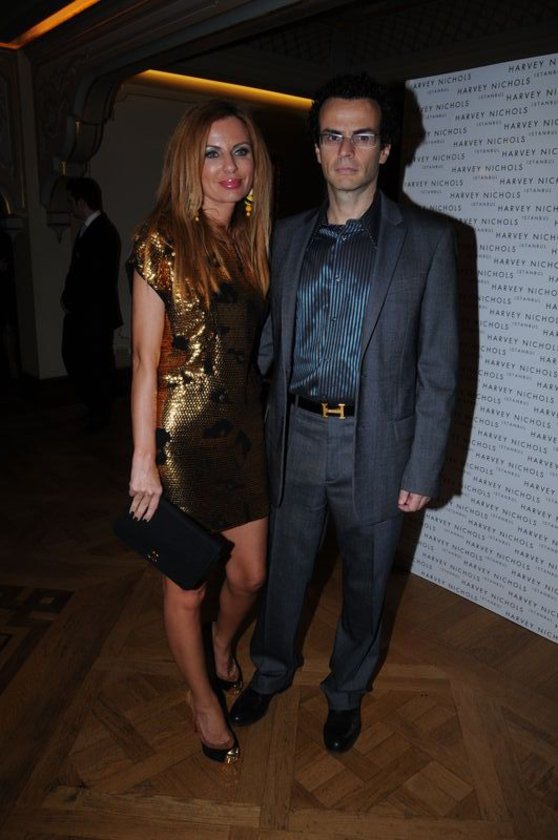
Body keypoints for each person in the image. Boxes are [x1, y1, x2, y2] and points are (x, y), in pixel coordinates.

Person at [230, 73, 459, 753]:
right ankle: (271, 671)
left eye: (363, 137)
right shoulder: (283, 238)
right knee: (282, 572)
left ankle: (346, 692)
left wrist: (423, 466)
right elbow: (264, 347)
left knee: (365, 583)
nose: (347, 151)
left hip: (378, 442)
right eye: (333, 136)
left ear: (385, 149)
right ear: (317, 149)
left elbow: (439, 368)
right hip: (294, 435)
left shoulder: (428, 241)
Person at [128, 100, 272, 763]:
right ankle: (203, 699)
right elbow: (143, 360)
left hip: (241, 435)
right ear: (189, 162)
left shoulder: (250, 242)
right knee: (186, 587)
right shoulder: (161, 239)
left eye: (240, 151)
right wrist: (143, 460)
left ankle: (220, 645)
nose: (229, 166)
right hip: (180, 441)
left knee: (250, 576)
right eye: (212, 152)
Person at [61, 177, 122, 432]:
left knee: (95, 364)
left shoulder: (103, 231)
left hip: (94, 315)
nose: (70, 206)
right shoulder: (90, 229)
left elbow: (93, 277)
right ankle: (95, 407)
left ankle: (100, 413)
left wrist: (74, 301)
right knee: (80, 359)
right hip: (85, 313)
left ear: (81, 202)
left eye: (71, 201)